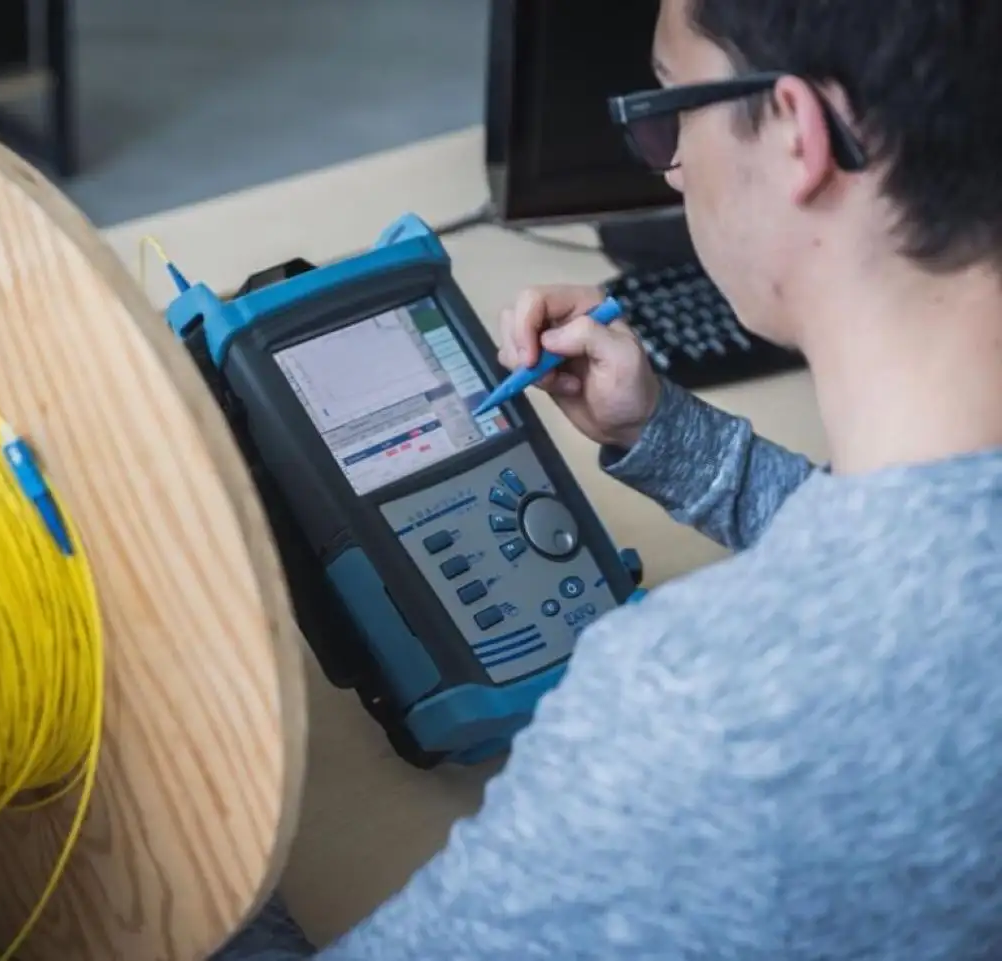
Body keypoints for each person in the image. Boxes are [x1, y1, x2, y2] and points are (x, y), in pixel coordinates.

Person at [215, 0, 1002, 957]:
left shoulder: (704, 723)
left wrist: (169, 784)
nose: (667, 165)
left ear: (797, 132)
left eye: (670, 109)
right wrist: (676, 440)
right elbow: (926, 567)